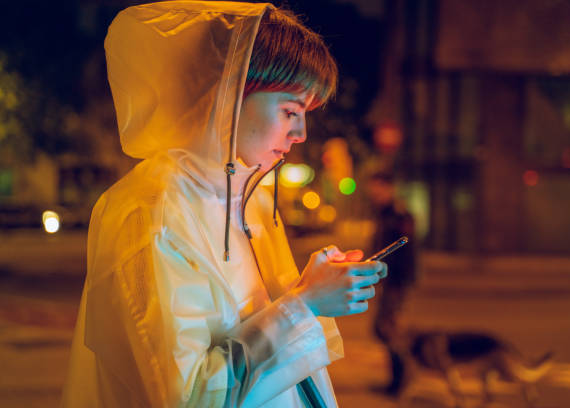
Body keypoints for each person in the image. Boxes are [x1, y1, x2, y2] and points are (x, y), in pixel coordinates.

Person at [61, 2, 386, 408]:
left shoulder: (247, 197)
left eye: (305, 114)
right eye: (289, 110)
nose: (301, 132)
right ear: (228, 93)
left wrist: (311, 289)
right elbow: (191, 396)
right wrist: (305, 304)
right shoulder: (151, 214)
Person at [367, 169, 418, 396]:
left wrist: (400, 280)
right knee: (385, 328)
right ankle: (397, 379)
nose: (375, 193)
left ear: (389, 188)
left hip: (397, 280)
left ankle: (401, 379)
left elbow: (407, 251)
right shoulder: (383, 213)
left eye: (379, 187)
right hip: (387, 280)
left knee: (388, 329)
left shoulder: (399, 215)